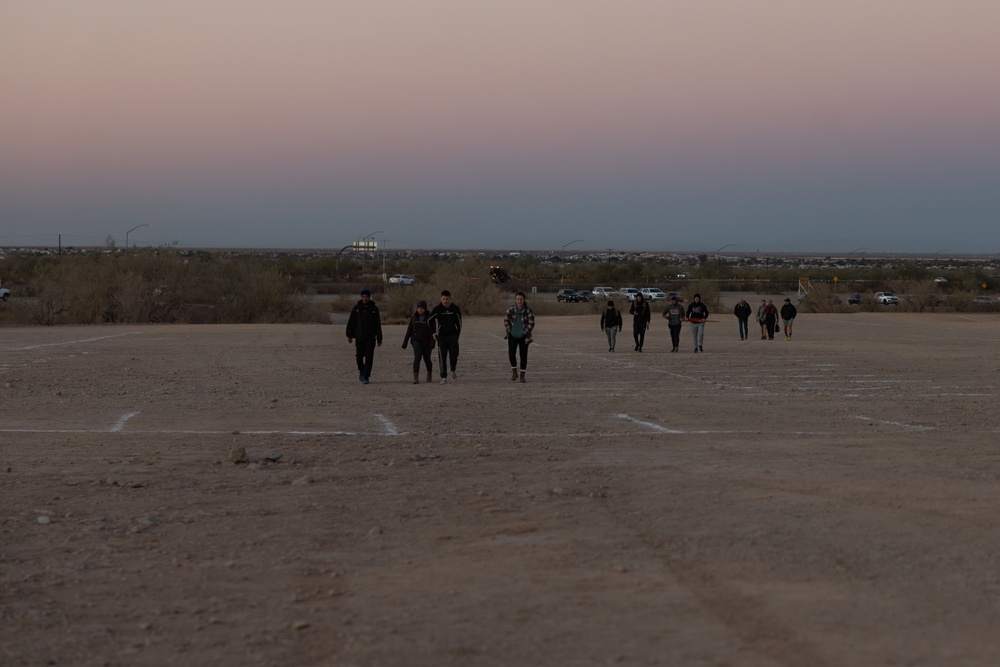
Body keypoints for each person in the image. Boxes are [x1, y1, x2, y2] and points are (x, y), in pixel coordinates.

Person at [346, 289, 382, 384]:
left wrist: (379, 338)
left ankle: (366, 376)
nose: (364, 298)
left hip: (370, 338)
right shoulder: (356, 308)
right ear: (361, 297)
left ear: (369, 297)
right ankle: (361, 371)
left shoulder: (374, 309)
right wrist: (349, 335)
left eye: (366, 297)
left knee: (369, 358)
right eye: (363, 296)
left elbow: (377, 324)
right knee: (359, 358)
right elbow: (352, 323)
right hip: (359, 337)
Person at [428, 290, 462, 383]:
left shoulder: (455, 308)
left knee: (454, 356)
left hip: (453, 336)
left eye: (447, 299)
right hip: (442, 337)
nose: (445, 301)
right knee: (442, 357)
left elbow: (459, 324)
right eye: (443, 299)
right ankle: (443, 377)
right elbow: (430, 321)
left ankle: (453, 370)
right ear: (441, 298)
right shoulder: (437, 309)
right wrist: (433, 332)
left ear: (450, 298)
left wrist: (457, 336)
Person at [503, 291, 535, 382]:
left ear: (524, 300)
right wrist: (510, 330)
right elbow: (506, 320)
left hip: (524, 336)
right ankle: (514, 372)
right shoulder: (511, 310)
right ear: (515, 300)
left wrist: (524, 332)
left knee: (523, 355)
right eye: (517, 299)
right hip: (512, 335)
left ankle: (522, 375)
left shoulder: (528, 310)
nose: (519, 301)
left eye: (521, 299)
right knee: (511, 353)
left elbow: (531, 323)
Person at [402, 300, 435, 383]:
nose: (420, 310)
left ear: (425, 309)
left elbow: (433, 332)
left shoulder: (430, 318)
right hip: (417, 341)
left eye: (422, 309)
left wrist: (433, 343)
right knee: (417, 358)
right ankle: (416, 378)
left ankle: (429, 374)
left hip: (427, 342)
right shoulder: (413, 318)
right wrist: (405, 343)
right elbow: (409, 331)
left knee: (427, 359)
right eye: (419, 308)